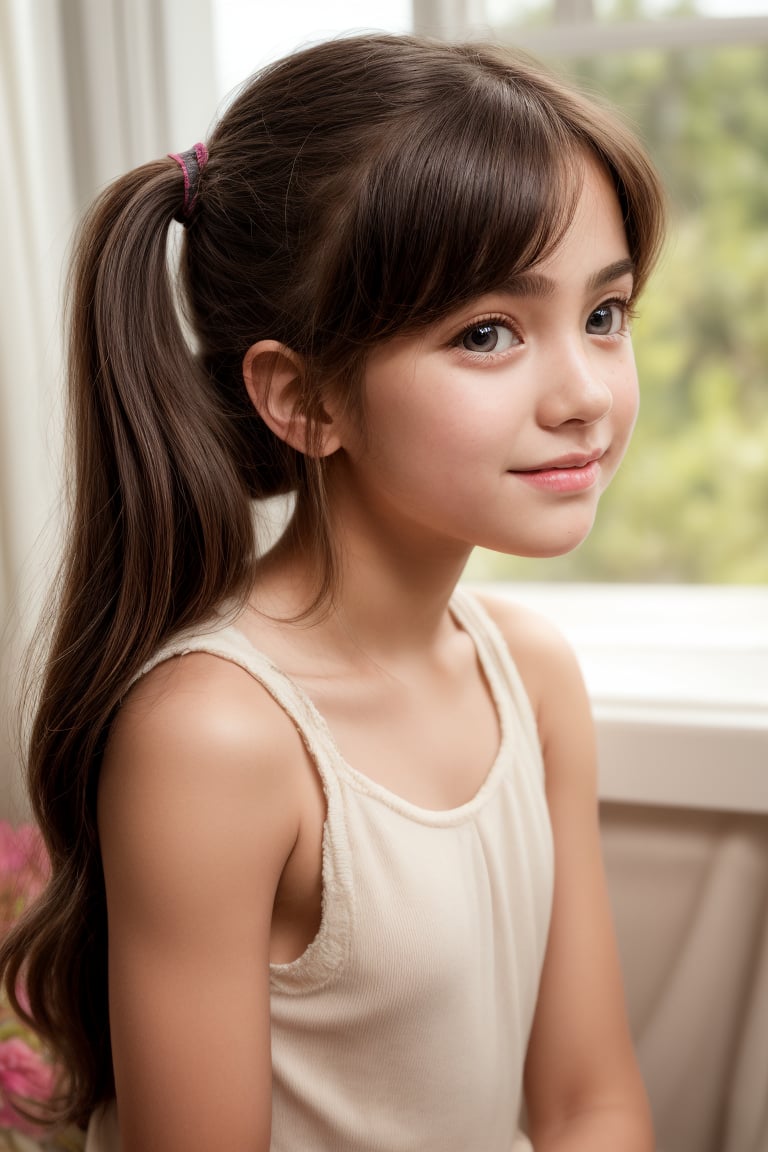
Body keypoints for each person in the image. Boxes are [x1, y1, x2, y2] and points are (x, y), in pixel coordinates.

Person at [0, 32, 665, 1152]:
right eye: (488, 333)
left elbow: (586, 1102)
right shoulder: (214, 737)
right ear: (302, 400)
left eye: (605, 314)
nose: (586, 394)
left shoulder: (533, 678)